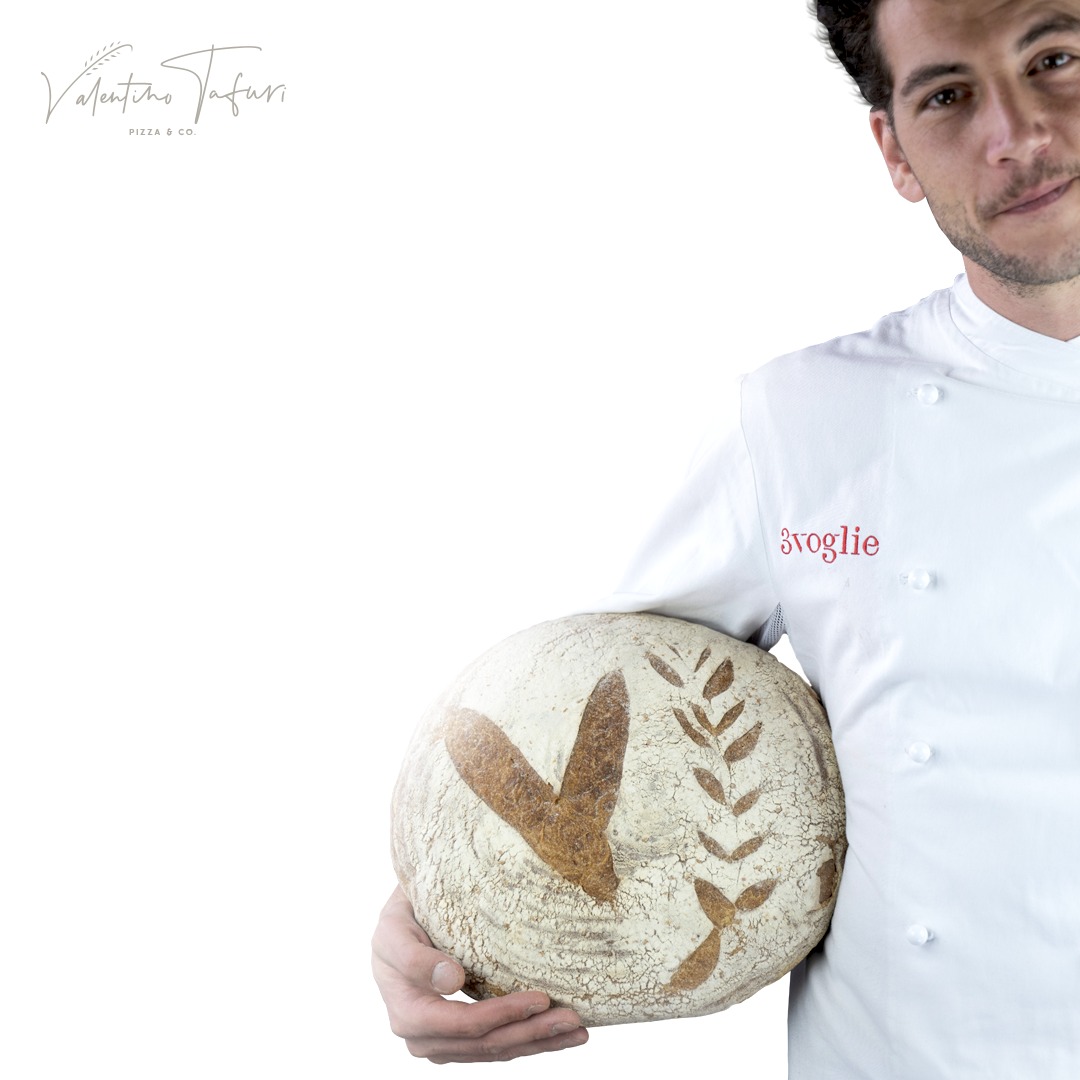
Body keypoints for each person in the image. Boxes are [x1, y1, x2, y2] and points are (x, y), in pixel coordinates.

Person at [371, 0, 1080, 1074]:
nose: (1018, 134)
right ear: (894, 149)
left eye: (1057, 57)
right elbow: (576, 712)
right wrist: (427, 928)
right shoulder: (802, 423)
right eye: (947, 95)